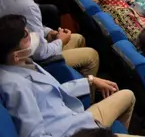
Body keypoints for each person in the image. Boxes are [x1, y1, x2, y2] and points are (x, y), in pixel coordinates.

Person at [0, 15, 136, 137]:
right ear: (16, 55)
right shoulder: (15, 87)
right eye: (26, 36)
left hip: (76, 119)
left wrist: (90, 80)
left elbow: (52, 91)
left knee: (128, 95)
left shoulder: (22, 62)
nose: (32, 35)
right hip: (75, 132)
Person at [0, 0, 99, 78]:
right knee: (92, 55)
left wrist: (49, 32)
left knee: (78, 38)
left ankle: (69, 76)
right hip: (33, 61)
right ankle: (85, 91)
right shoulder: (29, 7)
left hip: (26, 45)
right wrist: (60, 41)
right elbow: (41, 53)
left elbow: (30, 25)